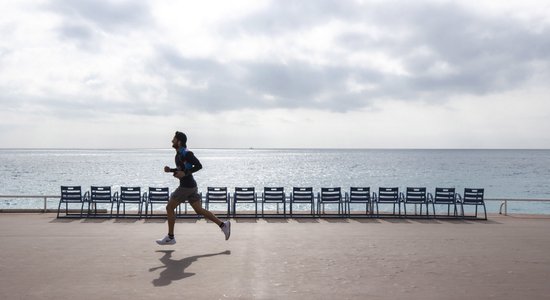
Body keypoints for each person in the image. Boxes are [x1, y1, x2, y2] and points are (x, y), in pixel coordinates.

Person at [156, 131, 230, 245]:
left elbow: (199, 166)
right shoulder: (179, 154)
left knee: (169, 207)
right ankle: (223, 225)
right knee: (199, 210)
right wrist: (170, 170)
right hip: (191, 186)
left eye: (174, 139)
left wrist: (184, 174)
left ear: (179, 141)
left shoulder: (186, 153)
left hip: (186, 186)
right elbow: (183, 169)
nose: (172, 140)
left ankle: (170, 237)